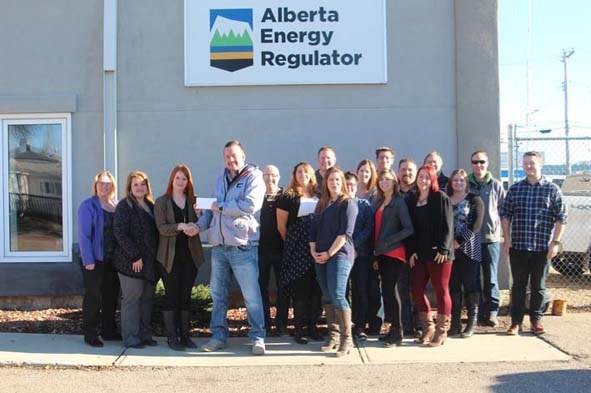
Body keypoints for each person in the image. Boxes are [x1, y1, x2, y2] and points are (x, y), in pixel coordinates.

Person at [197, 140, 267, 355]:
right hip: (218, 247)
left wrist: (222, 207)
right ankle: (218, 336)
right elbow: (211, 208)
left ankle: (257, 337)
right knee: (218, 294)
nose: (230, 159)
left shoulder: (253, 177)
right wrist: (198, 225)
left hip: (242, 247)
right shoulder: (221, 179)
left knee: (251, 295)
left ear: (243, 156)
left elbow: (250, 205)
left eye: (234, 155)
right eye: (227, 156)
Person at [501, 151, 567, 336]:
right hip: (519, 247)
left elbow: (562, 218)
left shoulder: (552, 190)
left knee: (538, 286)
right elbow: (505, 215)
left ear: (540, 165)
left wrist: (555, 243)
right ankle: (516, 322)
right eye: (526, 163)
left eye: (532, 163)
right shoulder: (515, 189)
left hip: (542, 248)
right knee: (518, 286)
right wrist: (507, 239)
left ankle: (536, 321)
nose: (529, 166)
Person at [154, 164, 204, 351]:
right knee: (172, 296)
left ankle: (185, 336)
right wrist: (181, 226)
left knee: (186, 296)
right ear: (172, 180)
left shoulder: (194, 201)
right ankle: (171, 337)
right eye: (178, 178)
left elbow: (202, 223)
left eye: (184, 179)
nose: (181, 182)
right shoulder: (162, 202)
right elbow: (161, 228)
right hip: (169, 257)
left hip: (190, 256)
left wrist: (198, 219)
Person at [310, 167, 358, 357]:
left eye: (338, 180)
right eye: (331, 180)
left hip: (339, 255)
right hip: (320, 255)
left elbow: (345, 234)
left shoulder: (348, 203)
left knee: (338, 294)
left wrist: (329, 253)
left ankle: (347, 340)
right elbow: (313, 231)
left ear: (343, 183)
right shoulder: (321, 204)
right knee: (327, 296)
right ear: (325, 183)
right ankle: (333, 336)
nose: (334, 183)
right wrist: (314, 251)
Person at [407, 165, 454, 347]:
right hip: (420, 253)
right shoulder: (413, 200)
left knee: (441, 290)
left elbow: (448, 225)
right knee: (416, 289)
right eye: (421, 176)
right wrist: (412, 251)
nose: (423, 180)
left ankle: (442, 331)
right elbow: (412, 230)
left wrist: (443, 249)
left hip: (439, 254)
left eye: (427, 177)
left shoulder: (440, 197)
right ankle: (428, 327)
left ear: (432, 179)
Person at [277, 162, 322, 344]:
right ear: (294, 174)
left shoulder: (319, 195)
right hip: (297, 249)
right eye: (299, 171)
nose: (303, 174)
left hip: (318, 247)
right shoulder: (288, 197)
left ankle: (313, 327)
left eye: (306, 171)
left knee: (316, 290)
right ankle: (299, 330)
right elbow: (281, 226)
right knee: (301, 291)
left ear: (312, 174)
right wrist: (293, 241)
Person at [113, 171, 159, 348]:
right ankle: (131, 337)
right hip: (130, 262)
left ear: (147, 186)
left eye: (142, 184)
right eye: (136, 184)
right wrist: (135, 255)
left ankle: (145, 335)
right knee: (132, 300)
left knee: (146, 300)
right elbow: (120, 233)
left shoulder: (151, 205)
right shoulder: (125, 206)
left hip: (149, 263)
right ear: (129, 188)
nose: (139, 188)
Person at [77, 170, 121, 347]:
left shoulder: (116, 205)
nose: (105, 186)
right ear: (95, 185)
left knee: (111, 297)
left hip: (113, 260)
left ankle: (108, 331)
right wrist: (88, 260)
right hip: (94, 260)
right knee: (93, 297)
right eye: (101, 183)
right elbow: (84, 235)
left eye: (108, 184)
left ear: (113, 186)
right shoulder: (88, 206)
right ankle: (90, 333)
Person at [373, 169, 414, 347]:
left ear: (395, 182)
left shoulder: (399, 202)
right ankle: (391, 329)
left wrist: (389, 241)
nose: (384, 182)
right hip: (381, 253)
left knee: (392, 291)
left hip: (394, 253)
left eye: (388, 179)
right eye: (382, 180)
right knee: (387, 293)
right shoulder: (380, 201)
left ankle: (398, 333)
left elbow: (408, 228)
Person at [468, 150, 505, 327]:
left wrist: (505, 234)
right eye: (475, 162)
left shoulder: (496, 185)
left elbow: (503, 211)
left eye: (482, 162)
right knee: (473, 278)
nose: (478, 165)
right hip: (470, 240)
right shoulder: (466, 184)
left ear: (487, 163)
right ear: (471, 164)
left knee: (490, 278)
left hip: (491, 239)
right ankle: (475, 312)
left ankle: (491, 312)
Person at [447, 169, 484, 338]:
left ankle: (471, 322)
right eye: (455, 180)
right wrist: (450, 243)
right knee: (453, 286)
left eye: (461, 180)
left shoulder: (474, 200)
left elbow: (476, 224)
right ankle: (454, 323)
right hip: (450, 250)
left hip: (469, 248)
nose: (458, 183)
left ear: (466, 183)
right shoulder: (446, 200)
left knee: (471, 284)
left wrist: (459, 241)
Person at [258, 164, 289, 336]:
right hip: (261, 249)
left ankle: (281, 324)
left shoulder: (286, 196)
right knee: (261, 286)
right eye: (267, 175)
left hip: (281, 249)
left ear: (279, 176)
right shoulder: (257, 197)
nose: (270, 178)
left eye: (274, 175)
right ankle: (265, 324)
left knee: (283, 287)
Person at [344, 172, 374, 341]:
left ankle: (360, 326)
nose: (350, 188)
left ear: (357, 186)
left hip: (361, 255)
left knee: (360, 290)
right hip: (341, 255)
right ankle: (346, 325)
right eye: (346, 185)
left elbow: (368, 228)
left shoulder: (364, 204)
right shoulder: (339, 204)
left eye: (352, 185)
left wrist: (354, 247)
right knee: (343, 292)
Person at [397, 158, 420, 336]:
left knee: (418, 289)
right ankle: (406, 326)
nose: (407, 173)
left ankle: (420, 325)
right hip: (397, 250)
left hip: (417, 251)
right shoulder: (393, 193)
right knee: (402, 289)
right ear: (398, 172)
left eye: (410, 170)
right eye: (403, 170)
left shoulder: (420, 195)